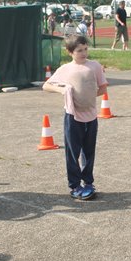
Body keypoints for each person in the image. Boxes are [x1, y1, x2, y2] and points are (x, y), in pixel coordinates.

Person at [42, 35, 108, 201]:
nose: (84, 53)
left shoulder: (94, 66)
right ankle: (74, 185)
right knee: (72, 152)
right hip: (72, 117)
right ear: (70, 52)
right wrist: (62, 90)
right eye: (79, 50)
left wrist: (90, 96)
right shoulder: (65, 69)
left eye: (85, 49)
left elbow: (103, 87)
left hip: (91, 116)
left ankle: (88, 182)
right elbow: (46, 85)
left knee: (89, 151)